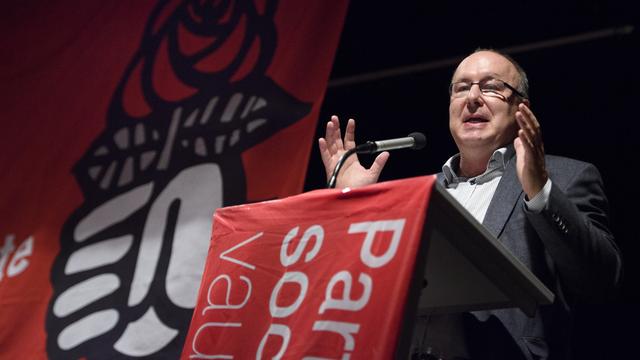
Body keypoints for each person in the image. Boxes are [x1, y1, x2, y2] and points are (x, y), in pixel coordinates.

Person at [318, 49, 622, 360]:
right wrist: (356, 211)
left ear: (522, 109)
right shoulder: (417, 194)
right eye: (461, 88)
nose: (472, 97)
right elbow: (360, 289)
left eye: (490, 87)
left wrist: (541, 190)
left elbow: (599, 279)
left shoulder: (565, 177)